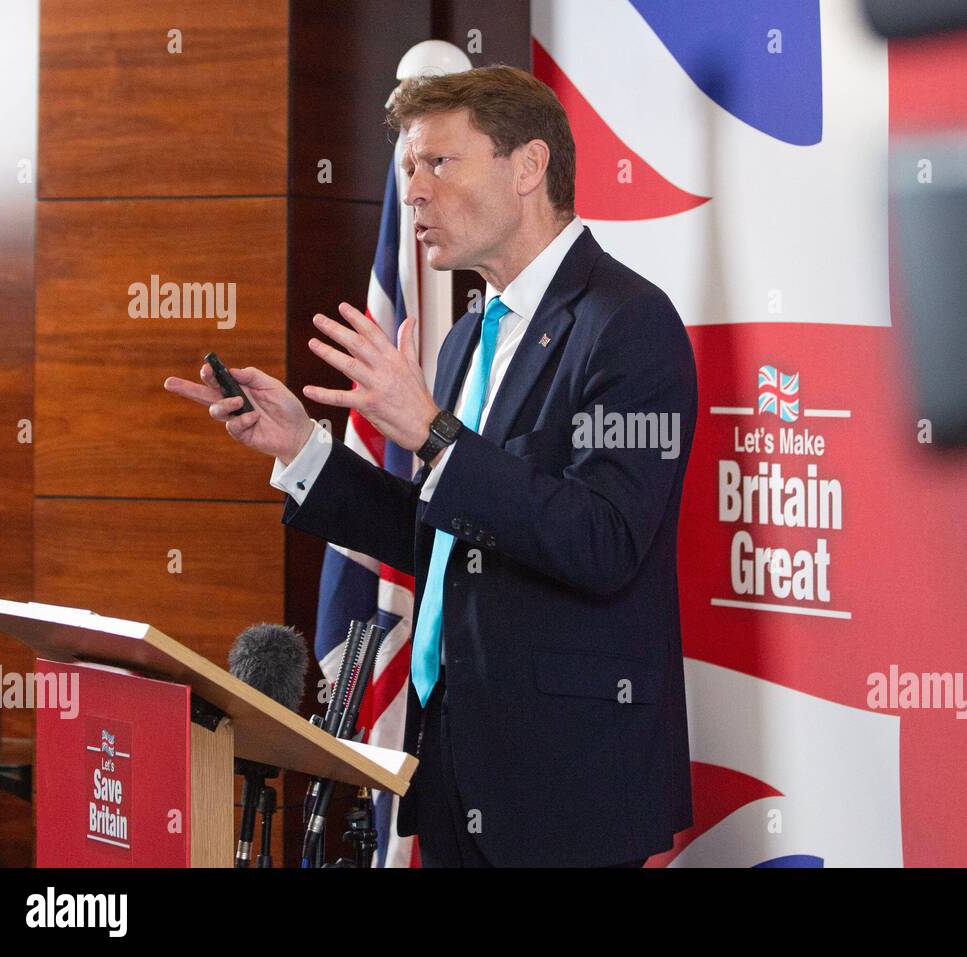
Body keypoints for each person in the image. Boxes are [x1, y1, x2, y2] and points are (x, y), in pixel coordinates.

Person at [164, 65, 697, 867]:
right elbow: (442, 538)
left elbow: (605, 538)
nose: (413, 190)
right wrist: (304, 448)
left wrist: (434, 430)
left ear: (528, 167)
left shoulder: (631, 323)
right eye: (408, 168)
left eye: (439, 163)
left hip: (564, 792)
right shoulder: (464, 337)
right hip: (453, 772)